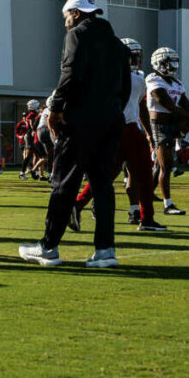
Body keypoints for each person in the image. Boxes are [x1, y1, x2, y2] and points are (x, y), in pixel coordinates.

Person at [19, 0, 130, 268]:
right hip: (111, 119)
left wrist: (56, 108)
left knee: (64, 183)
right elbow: (125, 87)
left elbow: (70, 74)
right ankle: (105, 250)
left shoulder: (77, 35)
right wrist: (111, 111)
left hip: (80, 120)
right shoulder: (117, 44)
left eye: (66, 16)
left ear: (77, 13)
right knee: (102, 185)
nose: (65, 22)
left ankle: (48, 246)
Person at [70, 37, 166, 232]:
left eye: (136, 56)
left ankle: (77, 204)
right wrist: (149, 135)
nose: (135, 60)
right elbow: (140, 106)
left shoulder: (102, 75)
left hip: (112, 129)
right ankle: (146, 218)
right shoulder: (137, 78)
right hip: (126, 129)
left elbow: (139, 107)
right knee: (143, 176)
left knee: (106, 176)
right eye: (132, 56)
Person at [146, 46, 189, 216]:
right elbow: (166, 103)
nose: (173, 66)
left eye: (175, 62)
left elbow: (187, 106)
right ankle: (168, 204)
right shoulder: (153, 79)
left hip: (173, 123)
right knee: (165, 166)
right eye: (170, 62)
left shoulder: (177, 83)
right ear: (159, 63)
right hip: (159, 125)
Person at [16, 100, 40, 179]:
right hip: (30, 136)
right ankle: (22, 173)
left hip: (33, 136)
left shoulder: (35, 114)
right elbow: (32, 127)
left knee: (37, 155)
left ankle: (34, 172)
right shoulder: (32, 115)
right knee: (28, 156)